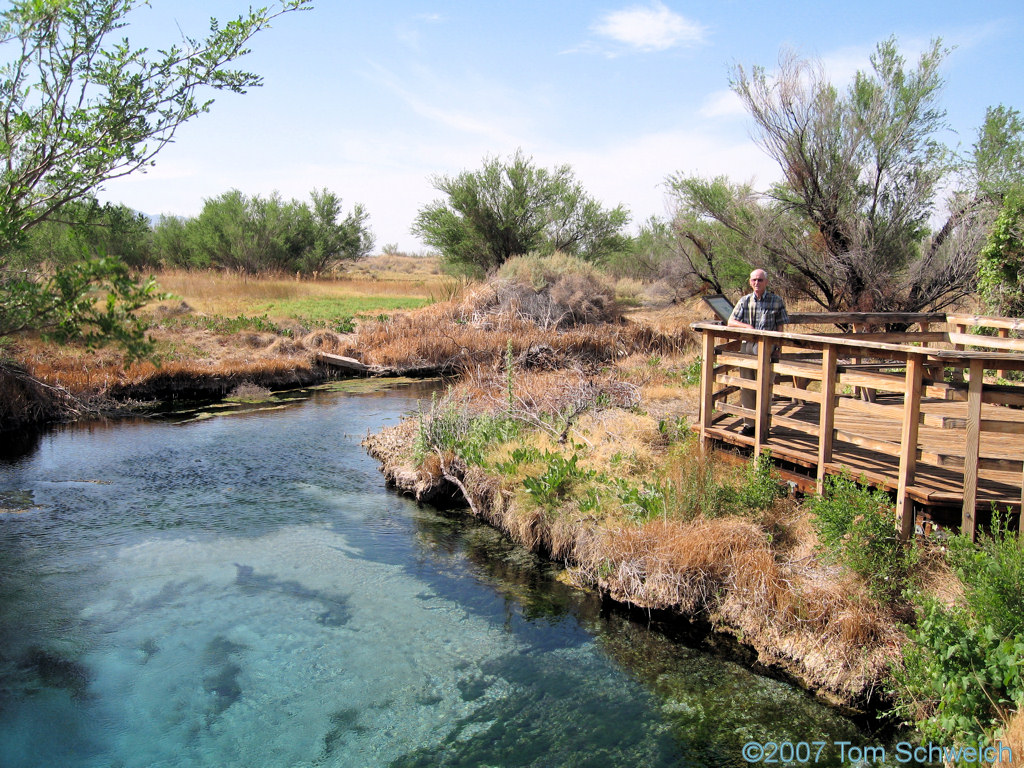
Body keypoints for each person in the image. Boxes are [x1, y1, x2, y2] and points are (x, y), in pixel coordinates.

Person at [727, 269, 789, 436]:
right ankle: (749, 424)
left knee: (765, 386)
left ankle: (763, 425)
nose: (757, 283)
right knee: (747, 385)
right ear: (750, 282)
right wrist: (747, 327)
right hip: (748, 346)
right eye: (754, 280)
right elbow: (731, 321)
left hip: (768, 348)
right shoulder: (745, 301)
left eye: (760, 280)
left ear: (766, 282)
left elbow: (781, 327)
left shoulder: (776, 301)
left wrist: (778, 349)